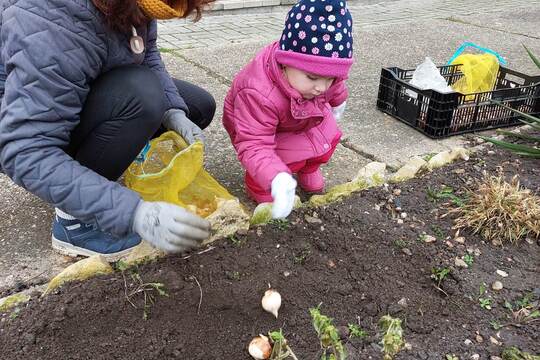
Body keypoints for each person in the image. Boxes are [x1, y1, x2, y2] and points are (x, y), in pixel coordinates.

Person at [0, 0, 216, 260]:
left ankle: (97, 166)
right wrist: (133, 213)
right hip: (22, 120)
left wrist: (173, 111)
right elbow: (25, 150)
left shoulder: (133, 5)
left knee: (197, 106)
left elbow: (147, 53)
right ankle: (74, 222)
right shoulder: (53, 17)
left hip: (78, 77)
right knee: (143, 96)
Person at [222, 0, 354, 220]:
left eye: (329, 78)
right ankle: (262, 184)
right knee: (278, 156)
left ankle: (308, 169)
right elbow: (255, 143)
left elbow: (335, 83)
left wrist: (339, 98)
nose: (321, 87)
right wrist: (277, 178)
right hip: (263, 131)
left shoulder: (317, 82)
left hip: (303, 117)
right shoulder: (258, 93)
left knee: (327, 138)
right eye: (312, 77)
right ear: (285, 63)